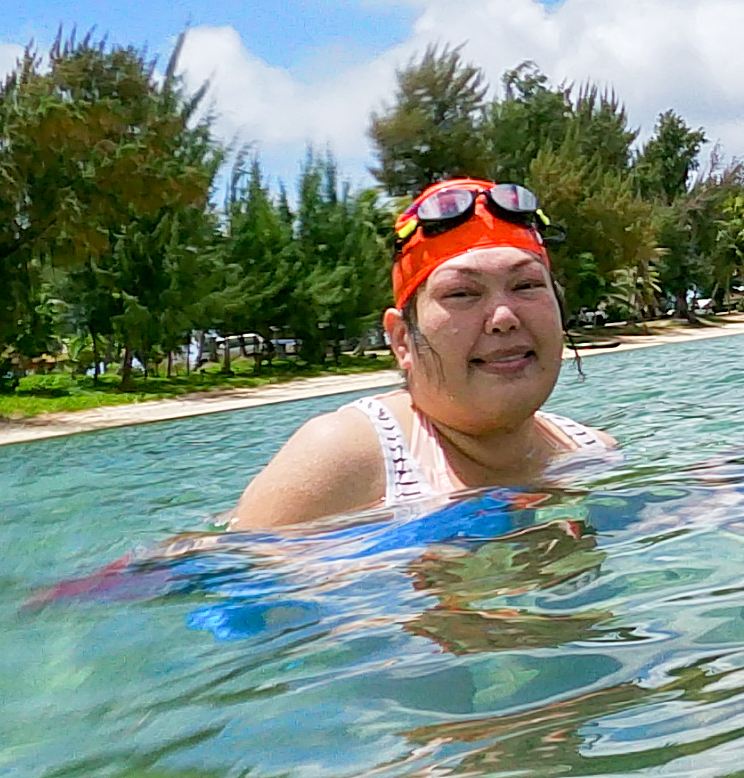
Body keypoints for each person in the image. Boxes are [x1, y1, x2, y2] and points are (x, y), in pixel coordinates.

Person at [229, 179, 618, 530]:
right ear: (401, 340)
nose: (503, 317)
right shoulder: (342, 459)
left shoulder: (591, 452)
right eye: (462, 293)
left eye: (527, 285)